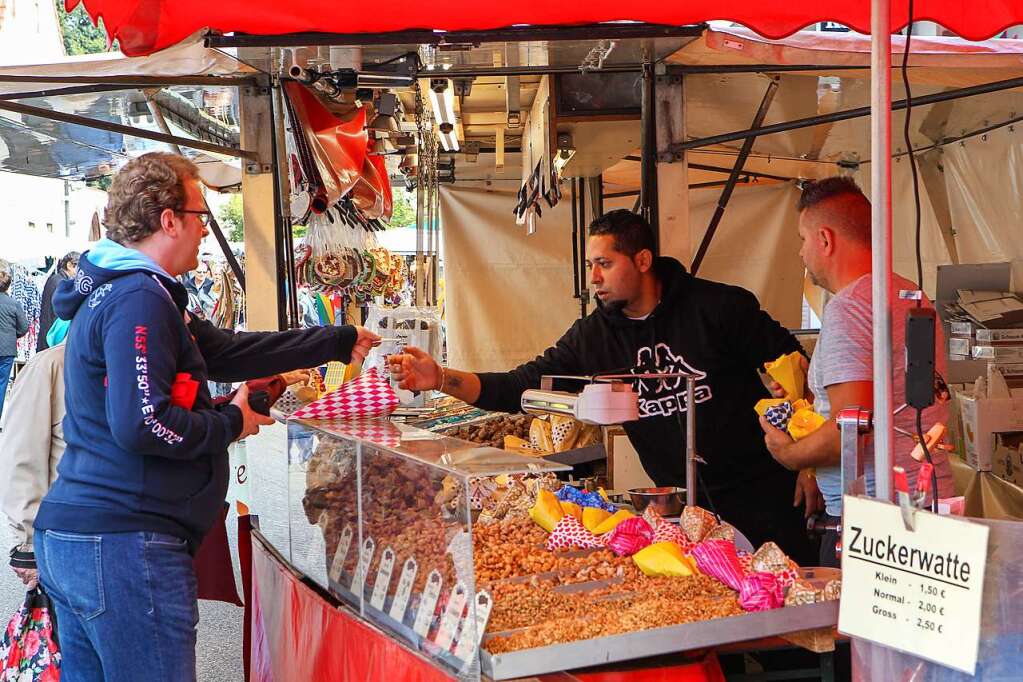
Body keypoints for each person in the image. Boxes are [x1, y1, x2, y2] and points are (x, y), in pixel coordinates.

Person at [33, 152, 380, 682]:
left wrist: (336, 339)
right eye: (201, 216)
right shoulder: (137, 298)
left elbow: (227, 352)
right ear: (168, 220)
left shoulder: (138, 291)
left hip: (87, 540)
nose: (204, 230)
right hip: (125, 545)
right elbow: (143, 423)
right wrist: (231, 422)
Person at [390, 209, 819, 565]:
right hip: (682, 509)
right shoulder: (593, 338)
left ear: (643, 261)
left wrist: (808, 460)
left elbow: (795, 369)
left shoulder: (720, 307)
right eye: (590, 264)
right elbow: (520, 387)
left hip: (766, 490)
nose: (593, 276)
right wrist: (441, 378)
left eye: (605, 264)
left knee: (789, 618)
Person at [759, 177, 954, 567]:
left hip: (874, 526)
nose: (801, 253)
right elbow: (886, 401)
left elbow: (850, 430)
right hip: (923, 504)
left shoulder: (848, 309)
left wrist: (789, 454)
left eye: (802, 239)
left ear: (825, 240)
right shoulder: (907, 293)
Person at [0, 268, 28, 421]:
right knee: (2, 384)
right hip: (6, 349)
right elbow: (24, 327)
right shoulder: (14, 304)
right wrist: (12, 336)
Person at [37, 250, 79, 351]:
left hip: (49, 335)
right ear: (69, 265)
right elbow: (59, 314)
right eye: (79, 268)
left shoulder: (57, 280)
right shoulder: (61, 283)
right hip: (52, 338)